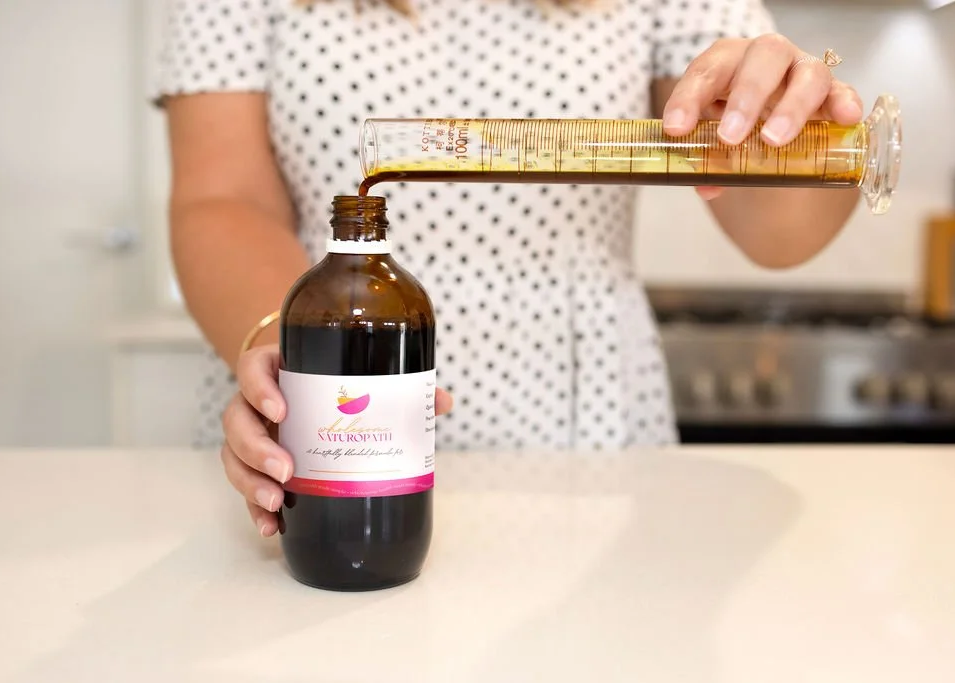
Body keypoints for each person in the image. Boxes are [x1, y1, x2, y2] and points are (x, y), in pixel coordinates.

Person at [156, 0, 864, 536]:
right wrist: (285, 352)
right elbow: (224, 198)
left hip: (587, 439)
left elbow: (781, 234)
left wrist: (801, 129)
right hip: (327, 425)